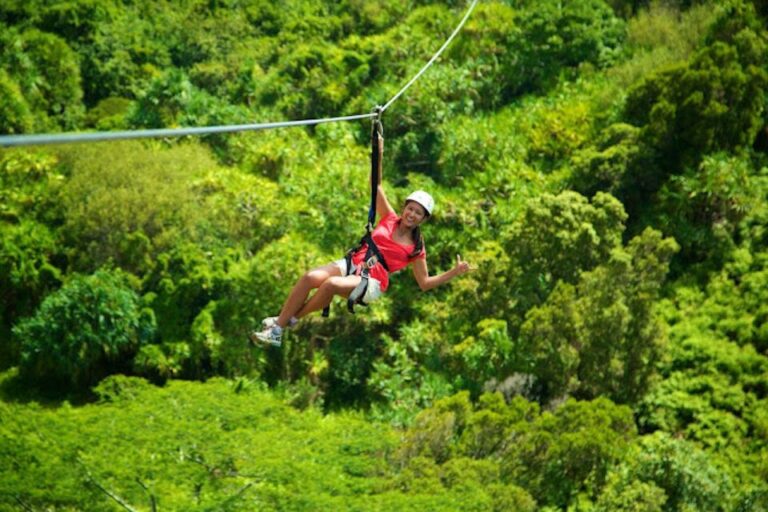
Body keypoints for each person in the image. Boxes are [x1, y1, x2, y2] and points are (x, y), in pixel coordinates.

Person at [250, 136, 472, 347]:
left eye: (418, 213)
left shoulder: (416, 248)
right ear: (405, 208)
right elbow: (376, 186)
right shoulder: (389, 218)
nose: (412, 214)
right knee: (310, 277)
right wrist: (379, 153)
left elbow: (424, 283)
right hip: (354, 262)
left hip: (372, 282)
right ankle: (282, 322)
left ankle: (281, 325)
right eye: (410, 208)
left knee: (331, 285)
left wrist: (455, 272)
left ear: (424, 219)